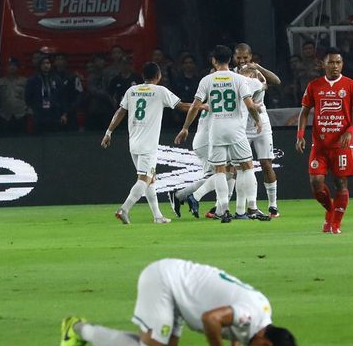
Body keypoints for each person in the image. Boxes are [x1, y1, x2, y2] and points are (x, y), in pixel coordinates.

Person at [59, 258, 298, 346]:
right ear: (266, 345)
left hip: (180, 291)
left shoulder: (263, 313)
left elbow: (237, 325)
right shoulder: (251, 315)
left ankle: (85, 331)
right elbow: (211, 319)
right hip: (165, 282)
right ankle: (78, 329)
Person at [174, 45, 262, 223]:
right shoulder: (238, 79)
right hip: (236, 130)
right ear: (230, 60)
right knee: (247, 167)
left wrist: (185, 127)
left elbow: (195, 106)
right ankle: (252, 207)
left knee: (220, 171)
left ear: (214, 60)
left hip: (216, 131)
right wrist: (257, 120)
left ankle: (223, 210)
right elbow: (250, 104)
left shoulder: (207, 80)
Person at [101, 62, 196, 225]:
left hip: (134, 143)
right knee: (144, 179)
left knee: (151, 179)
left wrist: (108, 132)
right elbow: (183, 107)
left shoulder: (132, 91)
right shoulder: (160, 91)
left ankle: (157, 216)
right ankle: (124, 209)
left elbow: (120, 112)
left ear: (143, 76)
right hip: (148, 145)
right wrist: (203, 106)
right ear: (158, 76)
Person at [295, 47, 353, 234]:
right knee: (316, 183)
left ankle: (335, 223)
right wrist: (300, 135)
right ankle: (331, 210)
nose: (335, 66)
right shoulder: (314, 85)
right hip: (319, 145)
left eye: (338, 62)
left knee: (341, 183)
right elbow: (304, 112)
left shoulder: (351, 85)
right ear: (323, 64)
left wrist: (350, 130)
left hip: (341, 145)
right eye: (331, 62)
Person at [234, 42, 281, 217]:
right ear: (234, 58)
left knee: (266, 163)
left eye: (245, 57)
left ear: (250, 57)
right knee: (242, 167)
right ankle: (246, 205)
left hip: (262, 122)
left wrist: (258, 67)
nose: (242, 60)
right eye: (238, 57)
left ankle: (273, 205)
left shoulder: (258, 72)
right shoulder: (231, 74)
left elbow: (276, 81)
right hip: (241, 124)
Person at [25, 55, 66, 133]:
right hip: (39, 113)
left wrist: (64, 114)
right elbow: (27, 97)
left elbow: (62, 97)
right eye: (43, 63)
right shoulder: (33, 80)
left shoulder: (57, 79)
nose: (46, 65)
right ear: (39, 65)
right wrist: (32, 109)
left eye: (48, 63)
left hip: (54, 113)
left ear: (51, 65)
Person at [0, 57, 29, 134]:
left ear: (18, 67)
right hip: (5, 116)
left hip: (21, 115)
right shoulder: (0, 82)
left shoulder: (25, 81)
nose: (12, 67)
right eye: (10, 65)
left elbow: (29, 97)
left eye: (14, 65)